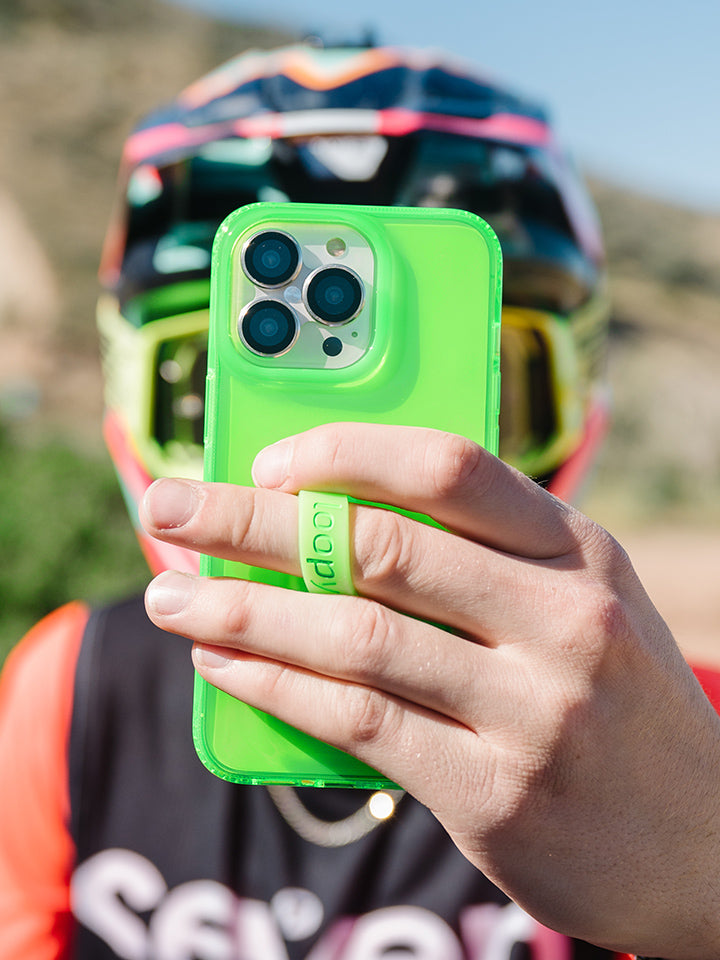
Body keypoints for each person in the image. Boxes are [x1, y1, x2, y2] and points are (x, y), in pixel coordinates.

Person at [1, 40, 719, 960]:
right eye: (229, 376)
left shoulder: (671, 741)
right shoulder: (71, 690)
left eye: (469, 391)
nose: (349, 477)